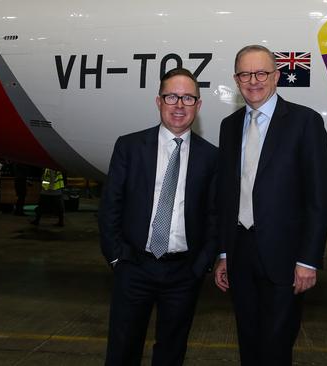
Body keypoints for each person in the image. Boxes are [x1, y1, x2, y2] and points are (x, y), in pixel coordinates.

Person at [214, 45, 327, 366]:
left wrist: (309, 260)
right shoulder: (229, 126)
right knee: (248, 342)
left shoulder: (305, 123)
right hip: (240, 253)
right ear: (236, 79)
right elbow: (227, 196)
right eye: (245, 74)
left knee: (277, 347)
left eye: (261, 73)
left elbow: (319, 198)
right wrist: (224, 253)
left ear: (277, 76)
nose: (253, 81)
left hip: (285, 258)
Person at [98, 68, 218, 366]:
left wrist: (201, 265)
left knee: (171, 353)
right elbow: (111, 205)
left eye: (188, 98)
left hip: (183, 274)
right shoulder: (129, 147)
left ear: (198, 105)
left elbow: (215, 215)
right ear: (159, 101)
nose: (179, 104)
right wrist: (117, 257)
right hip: (134, 266)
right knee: (123, 350)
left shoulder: (212, 157)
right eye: (172, 96)